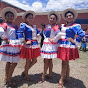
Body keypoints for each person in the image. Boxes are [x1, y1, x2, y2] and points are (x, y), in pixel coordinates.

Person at [50, 8, 85, 88]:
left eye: (70, 16)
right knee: (66, 62)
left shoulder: (75, 25)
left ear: (73, 17)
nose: (69, 17)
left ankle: (61, 80)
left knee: (64, 62)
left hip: (68, 45)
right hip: (62, 45)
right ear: (65, 18)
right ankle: (67, 77)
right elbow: (57, 33)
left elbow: (82, 34)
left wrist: (74, 41)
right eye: (67, 16)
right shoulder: (63, 26)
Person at [0, 7, 21, 86]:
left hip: (14, 44)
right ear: (5, 17)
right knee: (13, 62)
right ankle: (8, 79)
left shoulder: (15, 26)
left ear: (13, 17)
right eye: (8, 15)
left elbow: (18, 34)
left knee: (10, 62)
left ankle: (7, 77)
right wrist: (5, 38)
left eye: (11, 16)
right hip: (9, 44)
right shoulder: (4, 24)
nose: (10, 17)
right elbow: (1, 31)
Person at [17, 10, 41, 80]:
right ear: (26, 19)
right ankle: (26, 76)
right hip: (28, 46)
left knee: (34, 60)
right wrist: (24, 42)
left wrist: (38, 36)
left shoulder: (34, 26)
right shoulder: (24, 25)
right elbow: (20, 33)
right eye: (29, 17)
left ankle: (24, 72)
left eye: (32, 18)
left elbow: (39, 32)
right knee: (28, 61)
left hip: (35, 45)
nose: (31, 19)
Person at [40, 11, 61, 83]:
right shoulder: (48, 26)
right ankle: (50, 74)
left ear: (56, 20)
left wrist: (53, 39)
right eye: (51, 18)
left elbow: (59, 34)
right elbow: (44, 34)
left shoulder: (55, 26)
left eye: (53, 18)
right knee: (49, 60)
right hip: (46, 44)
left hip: (50, 45)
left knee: (46, 61)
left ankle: (43, 76)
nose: (51, 19)